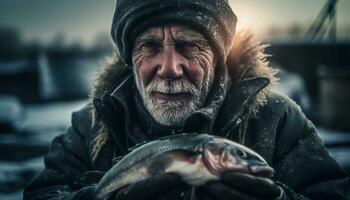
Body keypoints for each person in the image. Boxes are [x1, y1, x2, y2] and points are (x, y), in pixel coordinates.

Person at [24, 0, 348, 199]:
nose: (169, 68)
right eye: (149, 46)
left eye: (188, 45)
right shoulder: (90, 125)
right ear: (129, 58)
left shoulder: (279, 120)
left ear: (219, 57)